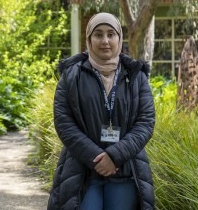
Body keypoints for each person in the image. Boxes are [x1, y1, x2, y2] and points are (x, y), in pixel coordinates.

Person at [47, 12, 156, 210]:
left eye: (110, 34)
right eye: (98, 34)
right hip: (82, 171)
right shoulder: (72, 76)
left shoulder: (136, 76)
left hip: (125, 169)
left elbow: (146, 122)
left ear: (119, 38)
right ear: (89, 39)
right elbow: (64, 123)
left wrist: (114, 156)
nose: (105, 41)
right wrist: (96, 158)